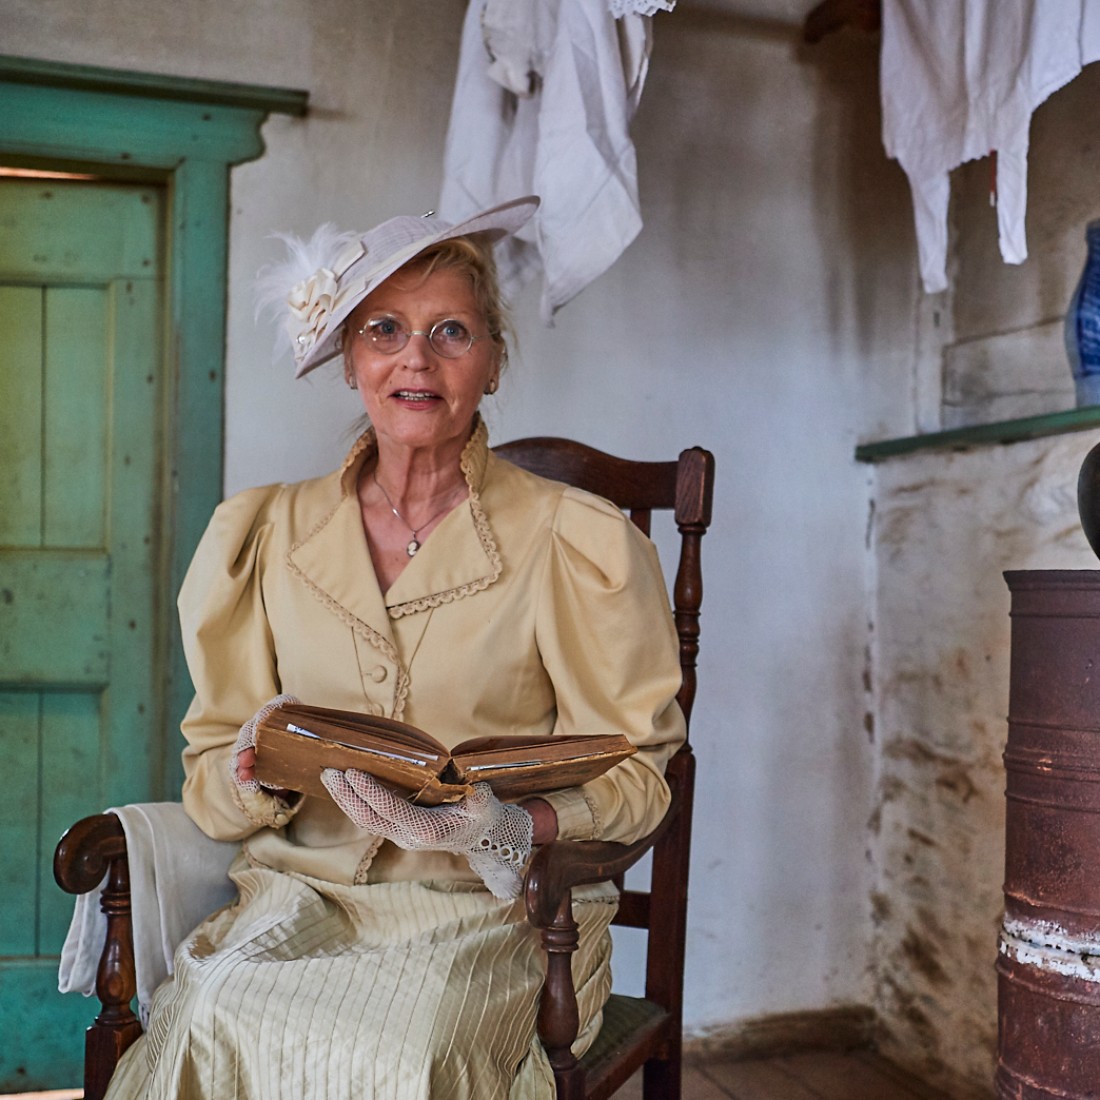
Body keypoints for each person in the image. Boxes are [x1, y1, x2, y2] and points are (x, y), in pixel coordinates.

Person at [103, 195, 686, 1100]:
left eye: (450, 331)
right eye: (385, 329)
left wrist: (506, 825)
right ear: (350, 360)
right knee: (210, 1012)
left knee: (404, 1055)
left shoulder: (578, 540)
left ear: (492, 364)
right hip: (302, 896)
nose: (416, 356)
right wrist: (255, 770)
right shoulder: (262, 532)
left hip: (498, 914)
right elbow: (211, 777)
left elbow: (641, 777)